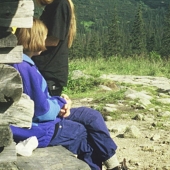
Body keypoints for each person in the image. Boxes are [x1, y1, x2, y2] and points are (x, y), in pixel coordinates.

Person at [11, 19, 127, 170]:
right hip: (40, 129)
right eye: (44, 37)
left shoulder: (24, 63)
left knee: (91, 115)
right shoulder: (26, 68)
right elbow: (42, 112)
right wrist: (60, 104)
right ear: (35, 38)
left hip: (42, 120)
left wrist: (59, 102)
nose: (46, 41)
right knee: (82, 134)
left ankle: (114, 166)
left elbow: (39, 102)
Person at [32, 0, 76, 96]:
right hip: (47, 70)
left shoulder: (60, 4)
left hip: (50, 72)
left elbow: (53, 40)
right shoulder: (55, 5)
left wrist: (28, 43)